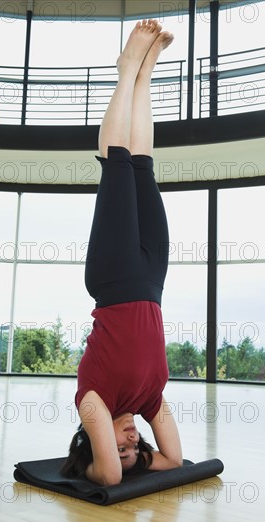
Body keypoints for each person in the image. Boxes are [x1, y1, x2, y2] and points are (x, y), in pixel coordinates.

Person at [62, 19, 183, 486]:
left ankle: (125, 69)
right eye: (136, 449)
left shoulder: (93, 401)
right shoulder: (150, 399)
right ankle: (146, 74)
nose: (132, 442)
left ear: (94, 441)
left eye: (121, 447)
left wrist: (107, 453)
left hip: (112, 279)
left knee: (116, 165)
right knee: (143, 168)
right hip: (153, 280)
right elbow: (173, 459)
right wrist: (145, 456)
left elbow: (111, 479)